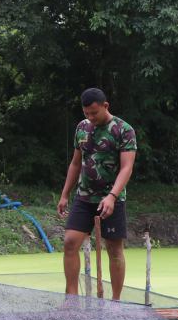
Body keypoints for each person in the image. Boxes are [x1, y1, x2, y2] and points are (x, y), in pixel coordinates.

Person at [56, 87, 137, 300]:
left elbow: (126, 168)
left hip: (112, 199)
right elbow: (75, 163)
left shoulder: (123, 130)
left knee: (114, 249)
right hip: (84, 197)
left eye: (94, 113)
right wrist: (65, 194)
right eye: (86, 114)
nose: (90, 118)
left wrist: (112, 196)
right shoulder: (82, 128)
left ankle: (116, 300)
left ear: (105, 106)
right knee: (70, 242)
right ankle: (71, 298)